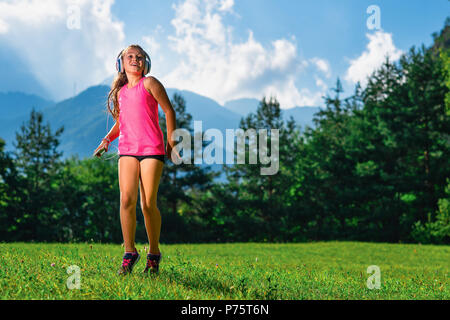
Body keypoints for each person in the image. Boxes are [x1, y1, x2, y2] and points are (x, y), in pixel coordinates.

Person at [93, 44, 180, 275]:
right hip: (127, 150)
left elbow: (169, 111)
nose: (135, 59)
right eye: (130, 56)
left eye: (140, 57)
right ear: (120, 63)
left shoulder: (150, 83)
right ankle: (129, 252)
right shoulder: (121, 93)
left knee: (148, 204)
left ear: (146, 63)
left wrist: (171, 143)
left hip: (152, 149)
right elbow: (122, 123)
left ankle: (153, 253)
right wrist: (107, 139)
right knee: (126, 201)